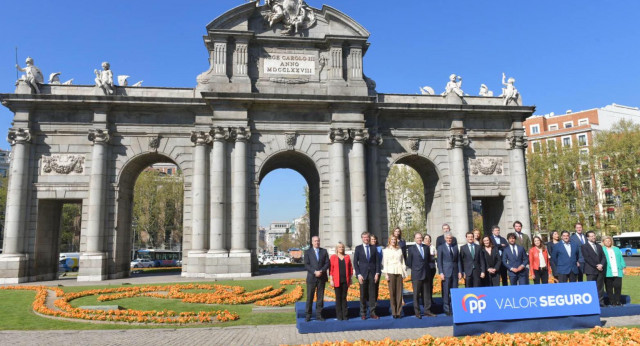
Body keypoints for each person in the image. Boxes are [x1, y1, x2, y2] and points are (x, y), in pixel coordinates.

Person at [407, 233, 436, 318]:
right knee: (416, 295)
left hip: (426, 274)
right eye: (417, 238)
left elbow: (429, 260)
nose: (419, 239)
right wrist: (416, 268)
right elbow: (409, 262)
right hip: (416, 274)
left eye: (420, 238)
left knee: (426, 294)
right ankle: (417, 312)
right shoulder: (411, 249)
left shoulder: (426, 248)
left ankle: (427, 311)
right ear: (414, 239)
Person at [353, 232, 380, 320]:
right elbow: (355, 263)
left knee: (372, 295)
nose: (366, 239)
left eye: (367, 237)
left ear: (369, 238)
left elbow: (377, 262)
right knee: (363, 295)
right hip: (363, 275)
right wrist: (358, 274)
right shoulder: (358, 248)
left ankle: (372, 312)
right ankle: (363, 313)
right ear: (362, 238)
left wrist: (377, 273)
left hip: (372, 274)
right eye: (364, 237)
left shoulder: (374, 248)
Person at [303, 236, 329, 322]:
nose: (317, 242)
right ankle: (308, 315)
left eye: (318, 241)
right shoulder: (307, 252)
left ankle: (319, 314)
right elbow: (306, 265)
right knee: (310, 297)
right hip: (311, 278)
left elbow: (327, 263)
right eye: (315, 241)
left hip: (322, 277)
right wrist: (315, 272)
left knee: (320, 298)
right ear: (312, 242)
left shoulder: (324, 251)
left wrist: (321, 271)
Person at [382, 235, 407, 319]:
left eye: (394, 239)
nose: (393, 241)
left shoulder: (399, 249)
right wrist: (386, 274)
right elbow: (385, 262)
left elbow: (402, 261)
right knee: (392, 293)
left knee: (399, 293)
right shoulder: (386, 250)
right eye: (392, 239)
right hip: (390, 272)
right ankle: (394, 311)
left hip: (399, 271)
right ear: (389, 240)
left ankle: (399, 311)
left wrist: (404, 272)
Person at [437, 232, 461, 316]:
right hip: (446, 272)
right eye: (447, 238)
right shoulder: (441, 248)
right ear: (445, 239)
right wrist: (441, 272)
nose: (449, 240)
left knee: (455, 291)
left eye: (450, 238)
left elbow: (458, 260)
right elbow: (439, 261)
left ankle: (455, 308)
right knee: (446, 291)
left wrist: (460, 271)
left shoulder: (455, 247)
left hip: (455, 272)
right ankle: (447, 309)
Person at [328, 242, 352, 320]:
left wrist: (350, 278)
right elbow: (331, 270)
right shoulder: (333, 257)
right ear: (337, 249)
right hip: (336, 281)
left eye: (342, 247)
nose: (341, 248)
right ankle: (339, 316)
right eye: (339, 247)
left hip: (345, 280)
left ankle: (345, 315)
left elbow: (350, 268)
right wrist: (331, 279)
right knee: (338, 298)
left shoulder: (347, 257)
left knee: (344, 298)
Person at [582, 231, 606, 307]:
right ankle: (592, 303)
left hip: (600, 270)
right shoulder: (584, 246)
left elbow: (603, 257)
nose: (593, 237)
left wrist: (601, 264)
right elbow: (587, 258)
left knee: (600, 287)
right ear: (587, 237)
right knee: (591, 287)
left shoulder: (599, 246)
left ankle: (601, 302)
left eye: (594, 235)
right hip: (591, 270)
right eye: (591, 236)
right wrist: (597, 265)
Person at [602, 236, 626, 306]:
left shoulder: (616, 249)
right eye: (606, 241)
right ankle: (612, 301)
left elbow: (621, 258)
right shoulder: (602, 249)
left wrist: (623, 267)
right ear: (603, 242)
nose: (608, 242)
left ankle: (618, 301)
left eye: (609, 241)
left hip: (617, 270)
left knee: (618, 286)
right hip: (607, 271)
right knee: (609, 288)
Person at [424, 234, 437, 304]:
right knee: (425, 285)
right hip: (425, 268)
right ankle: (425, 300)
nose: (427, 240)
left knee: (430, 284)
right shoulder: (422, 247)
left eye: (428, 238)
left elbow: (435, 256)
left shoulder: (433, 247)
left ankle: (431, 299)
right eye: (425, 238)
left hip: (432, 267)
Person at [370, 234, 383, 305]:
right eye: (372, 239)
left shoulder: (379, 248)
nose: (374, 241)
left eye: (374, 239)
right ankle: (370, 301)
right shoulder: (368, 247)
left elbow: (380, 259)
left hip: (377, 269)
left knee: (376, 286)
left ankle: (375, 301)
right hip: (370, 270)